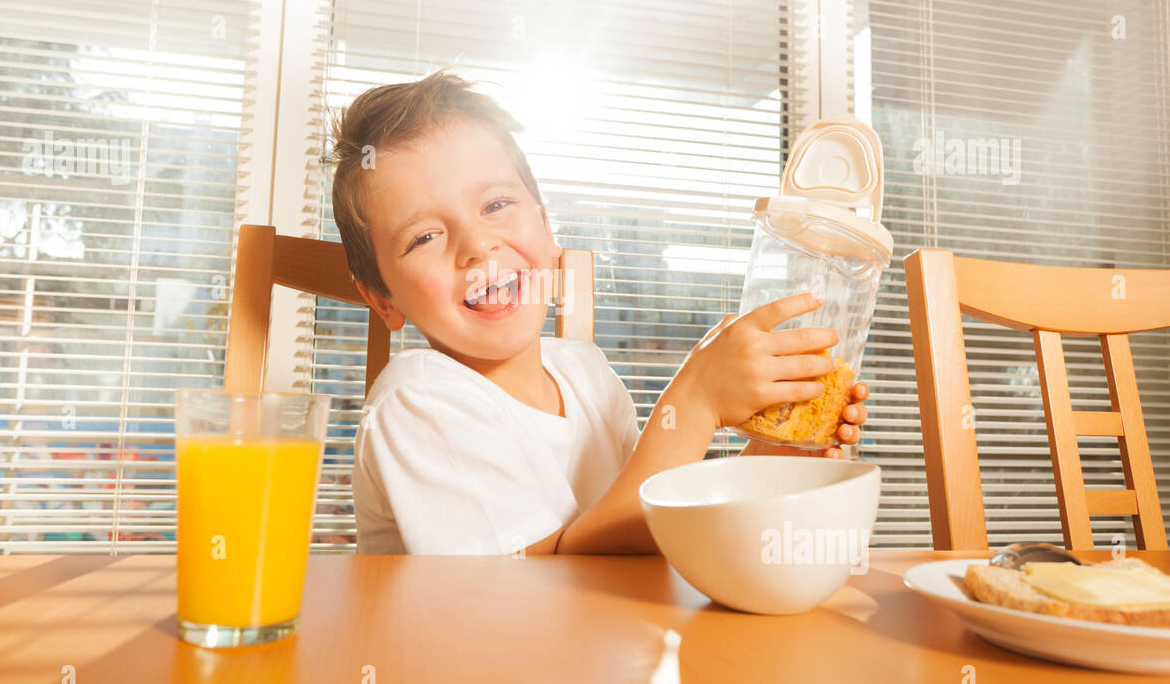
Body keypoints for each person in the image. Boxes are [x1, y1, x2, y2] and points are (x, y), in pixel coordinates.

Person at [331, 70, 869, 555]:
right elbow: (541, 587)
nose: (478, 246)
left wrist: (773, 456)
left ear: (547, 229)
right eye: (425, 236)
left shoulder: (586, 373)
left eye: (496, 205)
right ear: (383, 299)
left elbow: (648, 527)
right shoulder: (418, 400)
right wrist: (696, 401)